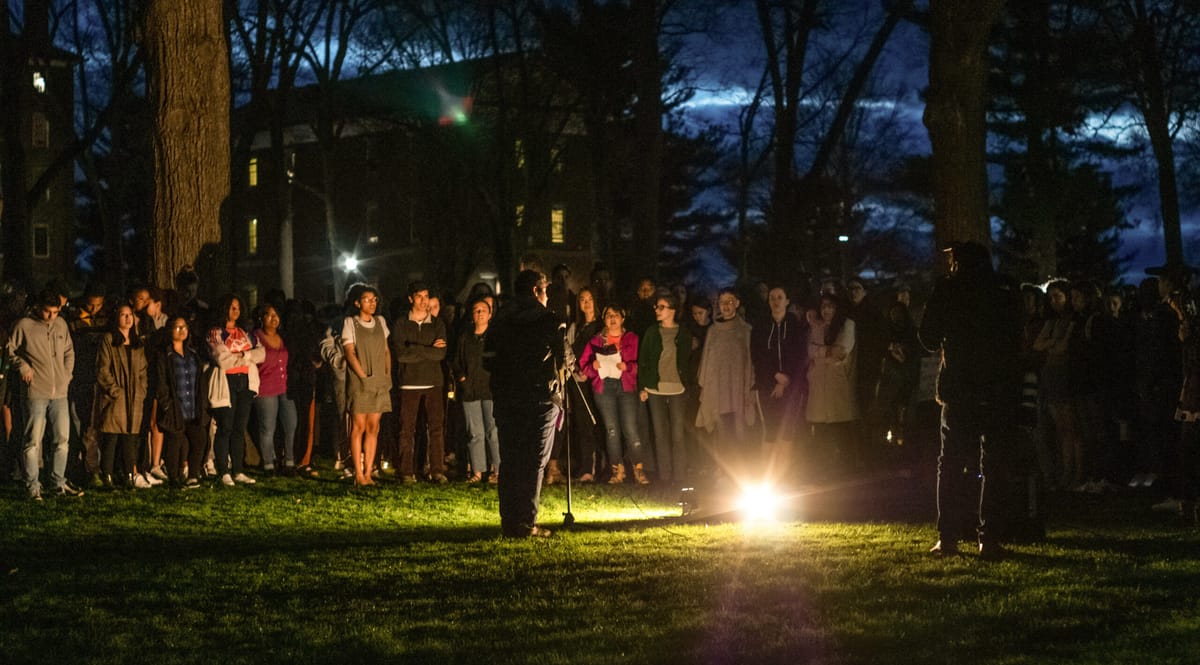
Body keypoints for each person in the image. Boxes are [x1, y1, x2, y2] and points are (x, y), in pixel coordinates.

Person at [919, 241, 1022, 560]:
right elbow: (1017, 336)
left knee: (951, 463)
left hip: (960, 387)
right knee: (994, 465)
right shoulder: (1005, 288)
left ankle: (948, 537)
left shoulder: (949, 288)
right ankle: (989, 539)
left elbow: (927, 338)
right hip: (998, 387)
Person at [485, 269, 562, 537]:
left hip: (506, 397)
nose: (547, 296)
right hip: (540, 398)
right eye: (545, 290)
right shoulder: (548, 320)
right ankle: (527, 522)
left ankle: (510, 522)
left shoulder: (499, 320)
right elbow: (564, 360)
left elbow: (488, 359)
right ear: (535, 291)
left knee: (510, 459)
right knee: (534, 461)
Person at [8, 288, 81, 499]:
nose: (51, 316)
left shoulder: (61, 325)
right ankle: (32, 485)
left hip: (60, 391)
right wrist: (22, 366)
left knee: (62, 439)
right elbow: (10, 349)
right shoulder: (24, 326)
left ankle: (58, 481)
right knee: (33, 440)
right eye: (48, 312)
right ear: (39, 308)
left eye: (56, 312)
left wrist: (66, 374)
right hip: (36, 390)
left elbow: (69, 351)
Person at [580, 303, 648, 484]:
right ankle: (617, 470)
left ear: (622, 318)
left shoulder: (632, 338)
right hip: (604, 387)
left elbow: (643, 362)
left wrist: (629, 367)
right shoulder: (596, 341)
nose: (612, 318)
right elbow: (583, 364)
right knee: (611, 430)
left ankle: (639, 469)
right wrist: (592, 368)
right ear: (604, 319)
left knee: (630, 428)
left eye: (616, 315)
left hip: (626, 386)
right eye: (608, 315)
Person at [694, 287, 756, 480]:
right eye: (722, 302)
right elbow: (707, 362)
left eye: (730, 301)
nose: (726, 306)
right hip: (718, 391)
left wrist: (750, 387)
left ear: (737, 303)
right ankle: (722, 472)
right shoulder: (713, 331)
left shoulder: (746, 330)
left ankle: (742, 473)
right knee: (721, 433)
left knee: (739, 432)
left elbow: (750, 361)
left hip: (738, 391)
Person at [391, 281, 449, 483]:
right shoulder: (400, 324)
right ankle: (406, 471)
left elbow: (440, 353)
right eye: (419, 296)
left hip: (434, 382)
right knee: (407, 428)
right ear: (410, 299)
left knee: (436, 428)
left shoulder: (437, 323)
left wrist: (414, 348)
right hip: (409, 383)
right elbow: (401, 355)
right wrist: (428, 348)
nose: (424, 301)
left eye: (426, 296)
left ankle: (436, 470)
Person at [207, 293, 264, 487]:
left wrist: (241, 356)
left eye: (238, 307)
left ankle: (238, 469)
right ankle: (223, 470)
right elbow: (222, 359)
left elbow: (261, 353)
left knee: (240, 427)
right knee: (226, 426)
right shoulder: (216, 333)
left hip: (245, 382)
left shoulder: (245, 333)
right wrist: (246, 356)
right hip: (227, 382)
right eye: (232, 307)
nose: (235, 311)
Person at [638, 293, 694, 485]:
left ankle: (680, 476)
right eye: (656, 307)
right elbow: (643, 359)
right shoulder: (652, 332)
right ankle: (665, 476)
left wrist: (687, 384)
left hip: (677, 388)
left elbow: (687, 360)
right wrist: (642, 386)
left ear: (672, 310)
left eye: (661, 307)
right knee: (660, 434)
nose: (657, 310)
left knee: (677, 433)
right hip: (655, 389)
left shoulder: (683, 333)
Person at [751, 285, 806, 473]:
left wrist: (787, 379)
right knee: (770, 429)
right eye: (772, 297)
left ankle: (784, 472)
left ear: (787, 301)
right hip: (767, 385)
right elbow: (757, 355)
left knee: (787, 430)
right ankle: (766, 473)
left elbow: (800, 355)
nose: (776, 301)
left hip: (792, 387)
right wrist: (776, 375)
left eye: (780, 297)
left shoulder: (796, 326)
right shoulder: (760, 326)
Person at [342, 285, 392, 486]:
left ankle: (368, 472)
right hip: (360, 381)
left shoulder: (381, 322)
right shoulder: (350, 323)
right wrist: (363, 376)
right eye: (366, 299)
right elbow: (349, 352)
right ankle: (358, 474)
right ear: (357, 303)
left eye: (374, 299)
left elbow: (387, 350)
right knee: (358, 426)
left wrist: (386, 373)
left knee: (374, 427)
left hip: (380, 380)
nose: (372, 303)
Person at [96, 304, 150, 489]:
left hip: (134, 397)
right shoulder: (109, 340)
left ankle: (129, 474)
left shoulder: (137, 343)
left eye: (130, 315)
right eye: (123, 315)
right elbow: (103, 368)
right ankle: (107, 475)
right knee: (111, 436)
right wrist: (114, 390)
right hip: (116, 397)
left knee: (130, 438)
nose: (128, 318)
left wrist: (141, 391)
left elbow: (143, 370)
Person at [155, 316, 207, 488]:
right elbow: (161, 381)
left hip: (192, 406)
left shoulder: (193, 355)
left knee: (198, 439)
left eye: (184, 327)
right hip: (175, 407)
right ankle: (174, 476)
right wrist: (167, 404)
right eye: (177, 327)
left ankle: (193, 474)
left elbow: (199, 380)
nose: (182, 330)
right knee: (175, 443)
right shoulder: (165, 355)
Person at [452, 297, 499, 483]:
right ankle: (478, 471)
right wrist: (462, 378)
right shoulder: (465, 338)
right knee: (474, 433)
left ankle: (498, 470)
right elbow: (456, 362)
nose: (479, 313)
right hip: (470, 391)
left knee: (493, 431)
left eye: (483, 310)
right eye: (476, 310)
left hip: (490, 390)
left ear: (490, 314)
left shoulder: (495, 337)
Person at [253, 303, 298, 474]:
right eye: (269, 315)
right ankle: (268, 462)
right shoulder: (256, 337)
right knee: (268, 427)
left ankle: (289, 460)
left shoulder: (283, 337)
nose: (274, 319)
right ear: (261, 318)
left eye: (276, 315)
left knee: (291, 423)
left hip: (284, 386)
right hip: (266, 388)